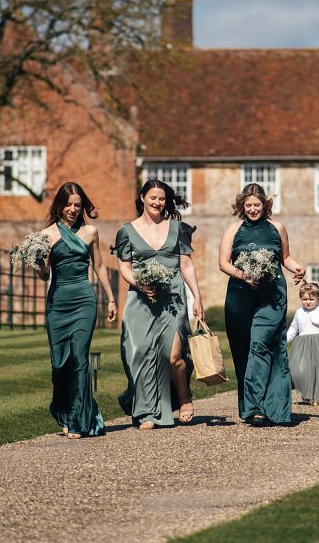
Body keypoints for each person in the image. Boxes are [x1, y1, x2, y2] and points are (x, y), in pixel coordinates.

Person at [113, 180, 205, 429]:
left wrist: (197, 296)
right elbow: (124, 266)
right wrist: (140, 283)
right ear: (142, 197)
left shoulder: (178, 229)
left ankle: (184, 396)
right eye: (153, 197)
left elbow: (185, 264)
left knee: (173, 355)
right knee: (141, 353)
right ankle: (147, 412)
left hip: (173, 300)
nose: (157, 202)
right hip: (140, 301)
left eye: (162, 199)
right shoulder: (126, 231)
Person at [219, 183, 307, 426]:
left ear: (265, 205)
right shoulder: (233, 229)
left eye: (257, 205)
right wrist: (243, 275)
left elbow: (285, 257)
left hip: (272, 295)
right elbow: (223, 263)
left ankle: (264, 407)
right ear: (242, 206)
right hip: (240, 295)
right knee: (244, 350)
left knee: (261, 343)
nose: (252, 209)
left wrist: (298, 268)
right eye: (248, 205)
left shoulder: (277, 227)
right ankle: (251, 406)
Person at [38, 182, 118, 440]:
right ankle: (64, 412)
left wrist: (111, 299)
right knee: (60, 362)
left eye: (78, 205)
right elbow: (44, 275)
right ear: (60, 205)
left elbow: (100, 267)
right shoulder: (47, 235)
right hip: (57, 303)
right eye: (69, 204)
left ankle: (79, 421)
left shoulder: (90, 232)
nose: (73, 209)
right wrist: (38, 264)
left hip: (84, 300)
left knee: (80, 359)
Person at [286, 282, 319, 405]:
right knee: (300, 370)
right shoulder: (299, 312)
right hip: (302, 344)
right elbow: (294, 329)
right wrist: (284, 341)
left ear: (318, 299)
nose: (308, 302)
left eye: (311, 299)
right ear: (300, 298)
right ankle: (306, 392)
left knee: (318, 370)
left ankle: (316, 396)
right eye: (304, 299)